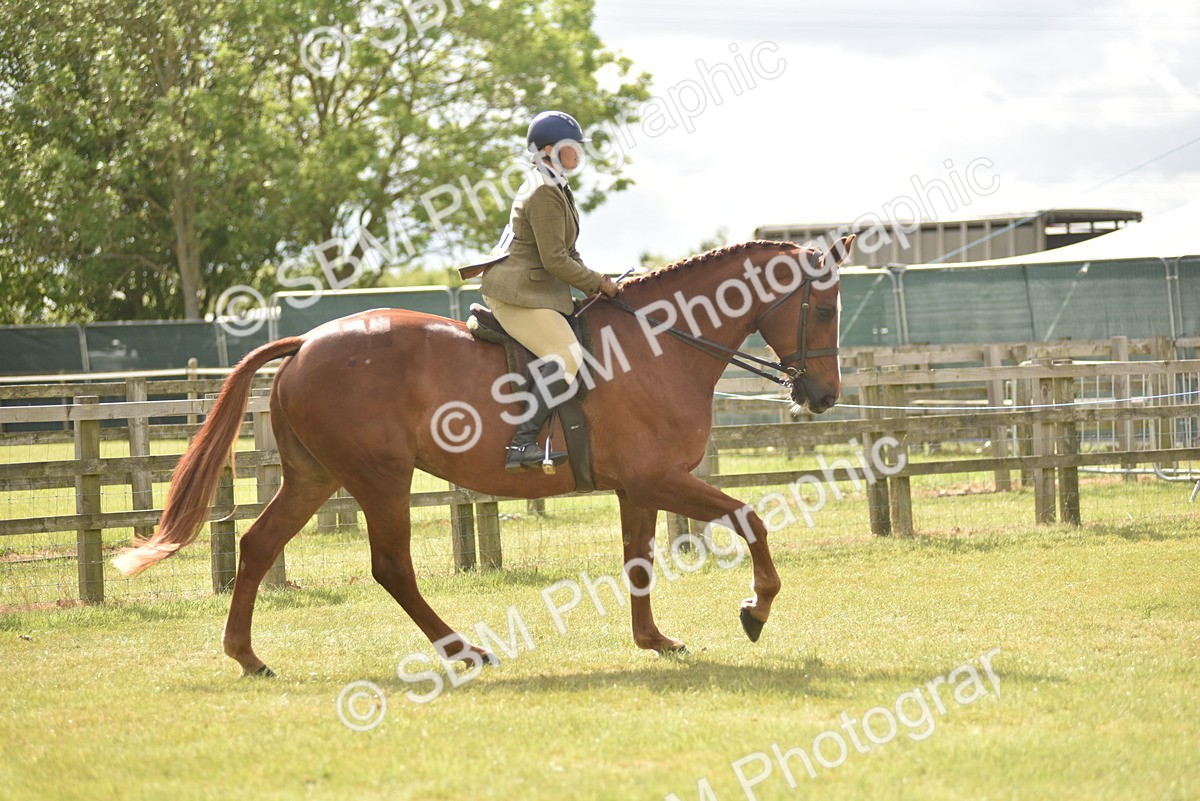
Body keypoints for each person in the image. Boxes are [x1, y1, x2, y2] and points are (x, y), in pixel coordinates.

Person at [480, 110, 620, 472]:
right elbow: (555, 260)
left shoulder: (555, 184)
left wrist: (596, 282)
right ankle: (521, 443)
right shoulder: (544, 190)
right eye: (573, 146)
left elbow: (568, 252)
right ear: (549, 150)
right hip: (517, 293)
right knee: (567, 356)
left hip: (535, 289)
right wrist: (597, 282)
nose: (579, 152)